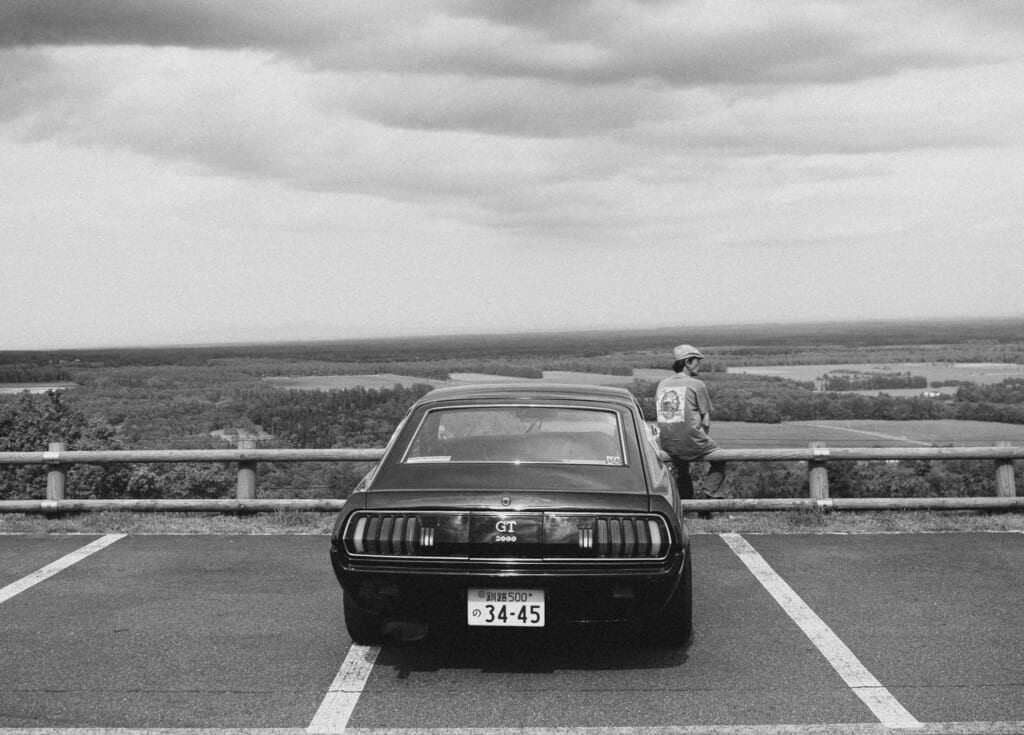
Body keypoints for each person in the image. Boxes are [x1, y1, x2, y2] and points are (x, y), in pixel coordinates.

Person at [655, 344, 727, 503]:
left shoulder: (662, 385)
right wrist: (702, 439)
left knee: (682, 467)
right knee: (721, 458)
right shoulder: (697, 385)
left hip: (667, 442)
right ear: (687, 362)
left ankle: (686, 503)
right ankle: (709, 496)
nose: (700, 365)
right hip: (692, 440)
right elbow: (706, 420)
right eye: (697, 361)